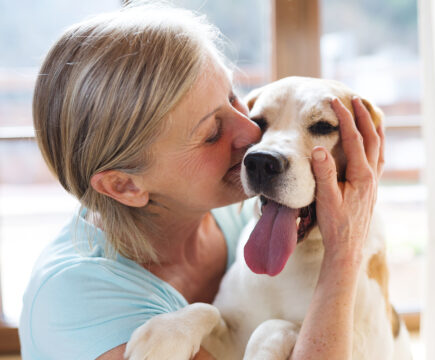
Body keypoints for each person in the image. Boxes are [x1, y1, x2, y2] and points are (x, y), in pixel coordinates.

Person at [19, 3, 384, 359]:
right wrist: (343, 253)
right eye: (212, 132)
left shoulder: (241, 215)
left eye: (233, 99)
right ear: (126, 186)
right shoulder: (78, 306)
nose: (252, 135)